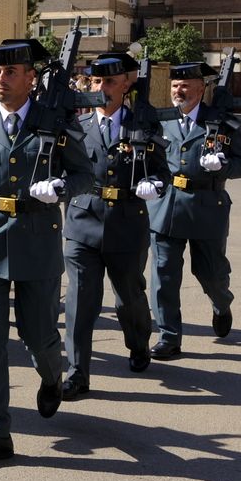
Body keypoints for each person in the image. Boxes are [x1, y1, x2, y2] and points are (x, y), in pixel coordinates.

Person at [0, 39, 95, 469]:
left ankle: (53, 375)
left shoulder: (55, 121)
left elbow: (84, 175)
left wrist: (61, 189)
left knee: (38, 337)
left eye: (11, 73)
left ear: (31, 78)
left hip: (37, 236)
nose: (0, 80)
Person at [60, 53, 168, 400]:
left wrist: (156, 185)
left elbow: (161, 170)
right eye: (95, 81)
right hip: (82, 220)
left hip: (126, 222)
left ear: (127, 83)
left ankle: (138, 343)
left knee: (129, 299)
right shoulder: (77, 126)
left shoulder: (143, 125)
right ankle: (77, 372)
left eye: (109, 81)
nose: (101, 88)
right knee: (80, 302)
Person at [147, 62, 241, 360]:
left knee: (211, 274)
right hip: (166, 206)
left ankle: (221, 303)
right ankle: (168, 337)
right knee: (163, 275)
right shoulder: (161, 121)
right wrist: (148, 180)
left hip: (207, 206)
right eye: (174, 87)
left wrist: (224, 166)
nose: (177, 92)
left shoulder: (223, 123)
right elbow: (150, 159)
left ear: (200, 89)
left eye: (184, 86)